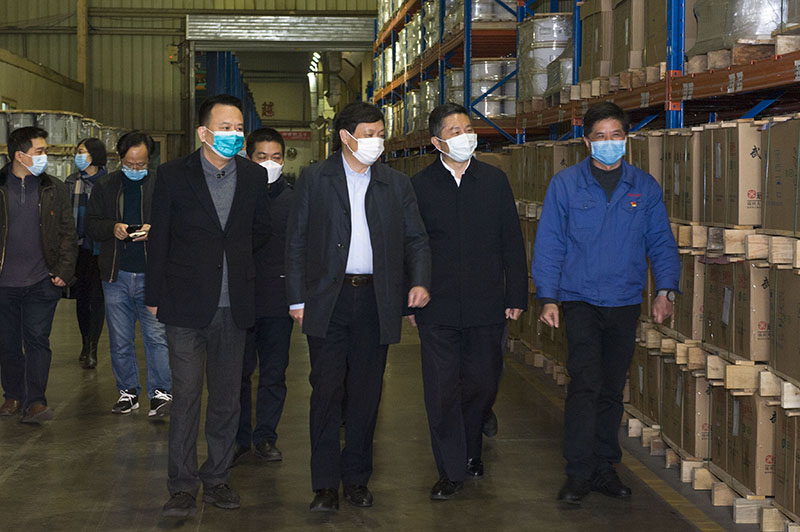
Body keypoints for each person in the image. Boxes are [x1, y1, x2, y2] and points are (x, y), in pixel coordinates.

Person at [285, 101, 431, 512]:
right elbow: (296, 240)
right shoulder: (316, 178)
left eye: (380, 134)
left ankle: (356, 480)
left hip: (375, 299)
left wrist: (419, 281)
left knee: (367, 394)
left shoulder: (395, 184)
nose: (377, 142)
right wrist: (297, 298)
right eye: (369, 134)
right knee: (326, 392)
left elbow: (416, 238)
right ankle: (324, 485)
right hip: (327, 300)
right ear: (346, 137)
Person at [532, 102, 680, 505]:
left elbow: (661, 242)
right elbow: (550, 242)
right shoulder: (566, 185)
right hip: (579, 298)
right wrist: (548, 296)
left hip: (624, 300)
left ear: (626, 139)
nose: (608, 142)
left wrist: (665, 290)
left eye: (616, 135)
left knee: (612, 388)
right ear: (586, 142)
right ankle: (578, 472)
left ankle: (604, 468)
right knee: (585, 383)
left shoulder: (643, 187)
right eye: (600, 136)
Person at [145, 94, 271, 517]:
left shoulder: (253, 176)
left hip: (234, 306)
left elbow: (260, 231)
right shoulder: (172, 175)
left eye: (239, 128)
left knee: (226, 400)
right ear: (204, 132)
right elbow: (160, 238)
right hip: (184, 305)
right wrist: (153, 297)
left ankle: (216, 478)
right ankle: (182, 486)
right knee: (185, 397)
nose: (234, 135)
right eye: (225, 128)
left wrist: (234, 262)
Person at [409, 103, 527, 500]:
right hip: (436, 306)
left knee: (482, 384)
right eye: (454, 131)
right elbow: (410, 245)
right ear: (436, 141)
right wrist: (410, 299)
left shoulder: (494, 181)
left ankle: (472, 449)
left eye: (468, 128)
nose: (465, 136)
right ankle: (451, 469)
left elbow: (511, 240)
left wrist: (516, 293)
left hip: (486, 303)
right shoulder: (420, 186)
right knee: (442, 390)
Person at [85, 131, 172, 417]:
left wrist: (153, 231)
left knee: (156, 337)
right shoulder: (105, 186)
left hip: (152, 274)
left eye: (141, 164)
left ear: (150, 160)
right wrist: (113, 227)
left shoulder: (162, 185)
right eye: (130, 164)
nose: (135, 169)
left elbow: (177, 224)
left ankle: (161, 393)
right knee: (120, 338)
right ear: (120, 159)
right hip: (115, 274)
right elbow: (91, 225)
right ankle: (128, 392)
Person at [0, 126, 77, 423]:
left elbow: (68, 233)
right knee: (7, 342)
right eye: (40, 151)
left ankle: (35, 401)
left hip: (42, 281)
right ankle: (13, 396)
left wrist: (64, 270)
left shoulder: (54, 188)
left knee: (36, 339)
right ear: (20, 156)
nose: (46, 156)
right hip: (4, 283)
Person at [232, 128, 294, 465]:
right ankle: (239, 437)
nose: (270, 163)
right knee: (238, 373)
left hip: (278, 302)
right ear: (248, 158)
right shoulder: (236, 195)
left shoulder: (294, 201)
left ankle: (266, 436)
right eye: (262, 157)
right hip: (240, 299)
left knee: (274, 373)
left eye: (276, 157)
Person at [66, 138, 108, 369]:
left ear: (94, 154)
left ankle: (93, 347)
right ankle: (84, 343)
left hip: (100, 249)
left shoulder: (108, 182)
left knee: (96, 299)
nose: (78, 156)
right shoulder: (71, 181)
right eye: (77, 152)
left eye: (82, 152)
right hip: (78, 248)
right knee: (81, 299)